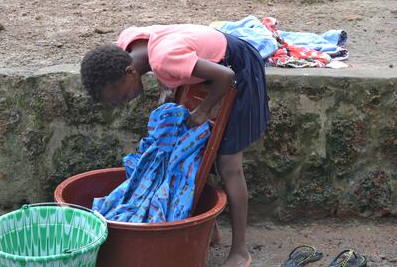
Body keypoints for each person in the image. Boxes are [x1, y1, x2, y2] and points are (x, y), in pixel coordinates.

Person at [80, 24, 270, 267]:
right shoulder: (127, 46)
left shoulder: (165, 59)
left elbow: (226, 76)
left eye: (122, 96)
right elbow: (159, 47)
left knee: (228, 165)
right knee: (196, 153)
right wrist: (166, 86)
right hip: (211, 70)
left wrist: (203, 110)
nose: (123, 101)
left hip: (238, 69)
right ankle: (210, 232)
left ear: (130, 72)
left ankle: (240, 251)